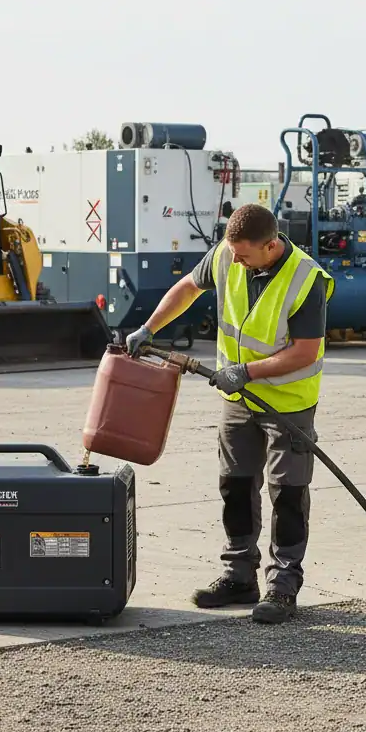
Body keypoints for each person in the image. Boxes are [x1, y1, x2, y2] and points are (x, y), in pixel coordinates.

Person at [126, 203, 333, 624]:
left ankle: (282, 586)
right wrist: (149, 327)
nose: (235, 261)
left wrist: (247, 371)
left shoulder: (305, 278)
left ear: (271, 246)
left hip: (287, 404)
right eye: (232, 252)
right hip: (238, 402)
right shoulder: (226, 253)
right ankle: (239, 576)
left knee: (287, 494)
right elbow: (188, 287)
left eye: (244, 255)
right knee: (235, 486)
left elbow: (305, 351)